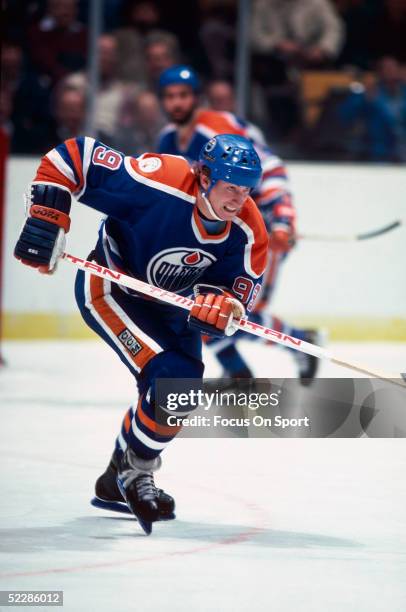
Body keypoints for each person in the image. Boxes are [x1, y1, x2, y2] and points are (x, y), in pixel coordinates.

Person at [13, 133, 268, 534]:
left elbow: (237, 295)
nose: (239, 200)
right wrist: (48, 216)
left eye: (246, 189)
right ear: (204, 176)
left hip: (172, 309)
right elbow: (72, 157)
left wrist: (223, 308)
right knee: (168, 383)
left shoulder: (249, 232)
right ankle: (135, 474)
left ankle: (118, 474)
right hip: (113, 289)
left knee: (181, 392)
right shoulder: (161, 180)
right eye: (230, 187)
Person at [157, 65, 322, 384]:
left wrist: (283, 221)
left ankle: (300, 343)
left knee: (237, 310)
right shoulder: (168, 138)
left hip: (256, 232)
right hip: (217, 234)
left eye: (183, 95)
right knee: (204, 305)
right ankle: (241, 373)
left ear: (196, 97)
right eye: (170, 96)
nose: (176, 103)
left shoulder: (214, 129)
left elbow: (271, 169)